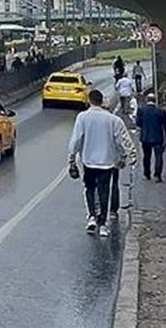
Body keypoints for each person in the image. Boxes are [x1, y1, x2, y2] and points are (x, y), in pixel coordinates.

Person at [68, 89, 138, 238]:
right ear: (102, 102)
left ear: (89, 101)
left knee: (89, 188)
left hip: (88, 161)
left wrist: (72, 158)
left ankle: (92, 216)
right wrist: (122, 157)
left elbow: (76, 139)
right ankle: (103, 224)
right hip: (106, 162)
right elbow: (119, 142)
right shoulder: (113, 120)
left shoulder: (83, 117)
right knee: (104, 191)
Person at [135, 90, 166, 182]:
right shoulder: (160, 111)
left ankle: (147, 173)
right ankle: (157, 175)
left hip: (145, 137)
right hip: (157, 137)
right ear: (155, 100)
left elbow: (138, 123)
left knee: (146, 156)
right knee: (158, 156)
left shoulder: (141, 110)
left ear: (147, 100)